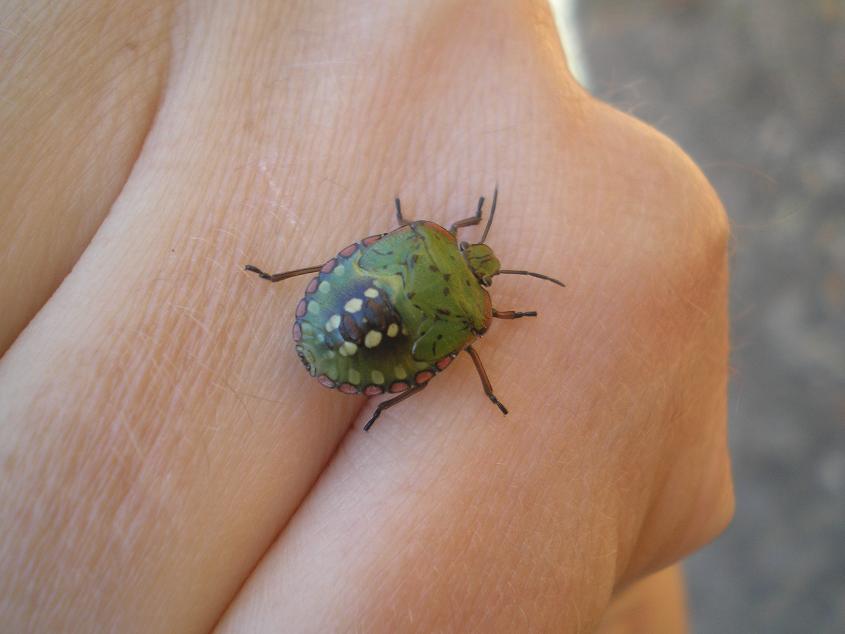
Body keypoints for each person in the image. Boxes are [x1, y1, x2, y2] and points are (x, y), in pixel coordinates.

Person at [0, 1, 733, 631]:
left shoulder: (427, 242)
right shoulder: (476, 319)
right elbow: (442, 359)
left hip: (341, 307)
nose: (480, 256)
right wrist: (425, 389)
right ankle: (370, 398)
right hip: (371, 349)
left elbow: (376, 248)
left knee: (331, 266)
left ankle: (296, 303)